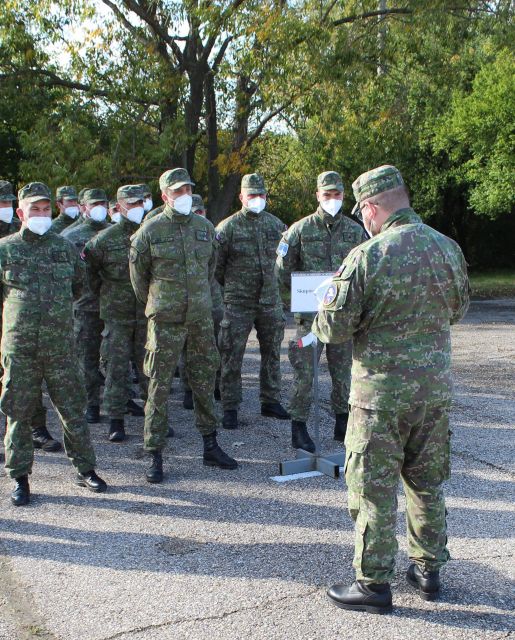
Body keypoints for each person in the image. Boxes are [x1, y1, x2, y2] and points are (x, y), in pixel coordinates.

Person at [312, 165, 470, 613]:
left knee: (373, 490)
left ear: (371, 207)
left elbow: (333, 329)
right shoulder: (447, 248)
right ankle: (428, 570)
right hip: (432, 394)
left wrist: (325, 304)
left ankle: (374, 584)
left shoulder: (367, 256)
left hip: (379, 399)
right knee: (427, 483)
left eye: (363, 211)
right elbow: (458, 309)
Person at [0, 182, 107, 506]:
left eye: (46, 209)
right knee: (18, 413)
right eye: (35, 209)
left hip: (60, 346)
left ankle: (85, 469)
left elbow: (79, 286)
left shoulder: (65, 248)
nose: (42, 214)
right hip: (21, 348)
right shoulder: (5, 250)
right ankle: (20, 477)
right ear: (21, 213)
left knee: (73, 410)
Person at [130, 168, 238, 483]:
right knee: (159, 385)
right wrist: (161, 301)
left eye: (188, 189)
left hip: (200, 319)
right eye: (178, 191)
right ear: (165, 195)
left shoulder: (205, 228)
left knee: (204, 381)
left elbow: (210, 270)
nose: (185, 196)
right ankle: (155, 452)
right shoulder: (150, 231)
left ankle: (210, 445)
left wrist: (197, 300)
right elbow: (139, 280)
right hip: (166, 320)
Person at [276, 171, 367, 452]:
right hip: (310, 320)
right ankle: (299, 428)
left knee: (344, 374)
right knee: (304, 375)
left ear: (344, 196)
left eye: (337, 194)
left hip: (342, 318)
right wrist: (301, 293)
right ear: (317, 195)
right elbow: (282, 270)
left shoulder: (355, 231)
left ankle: (342, 423)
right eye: (327, 194)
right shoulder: (300, 230)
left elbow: (364, 270)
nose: (332, 199)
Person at [214, 173, 289, 429]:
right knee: (231, 354)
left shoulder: (277, 226)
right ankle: (230, 406)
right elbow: (216, 267)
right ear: (241, 197)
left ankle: (271, 400)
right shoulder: (227, 228)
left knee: (273, 353)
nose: (257, 199)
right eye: (252, 195)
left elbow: (284, 261)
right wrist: (234, 287)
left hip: (270, 300)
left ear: (266, 196)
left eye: (260, 194)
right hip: (238, 302)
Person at [0, 180, 62, 454]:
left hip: (23, 322)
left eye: (7, 202)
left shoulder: (21, 229)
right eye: (0, 202)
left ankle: (37, 428)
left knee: (26, 380)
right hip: (8, 318)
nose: (4, 207)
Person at [84, 185, 148, 443]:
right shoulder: (103, 240)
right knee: (116, 368)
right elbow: (89, 274)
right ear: (119, 207)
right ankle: (116, 421)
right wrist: (106, 295)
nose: (136, 208)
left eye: (139, 203)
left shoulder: (152, 233)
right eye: (130, 204)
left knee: (149, 369)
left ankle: (155, 418)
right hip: (117, 315)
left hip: (146, 314)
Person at [62, 188, 110, 423]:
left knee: (115, 358)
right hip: (85, 307)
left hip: (113, 305)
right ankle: (91, 403)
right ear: (83, 207)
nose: (99, 207)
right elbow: (67, 276)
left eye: (102, 203)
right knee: (87, 359)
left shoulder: (114, 232)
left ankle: (117, 402)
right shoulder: (70, 237)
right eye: (94, 204)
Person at [180, 194, 222, 409]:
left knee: (214, 343)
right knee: (188, 345)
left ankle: (214, 384)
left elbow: (216, 263)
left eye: (200, 211)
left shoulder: (209, 231)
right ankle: (188, 388)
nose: (197, 215)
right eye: (193, 211)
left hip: (212, 295)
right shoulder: (179, 233)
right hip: (188, 298)